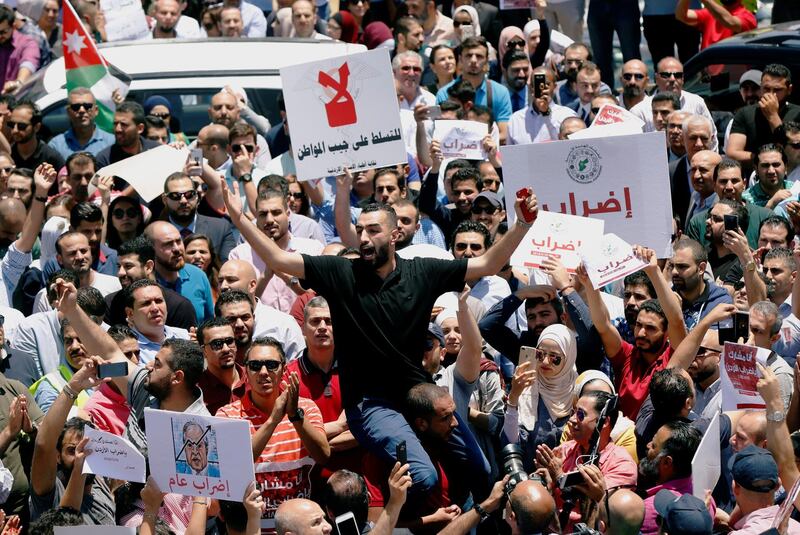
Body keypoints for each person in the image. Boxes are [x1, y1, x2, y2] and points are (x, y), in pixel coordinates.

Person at [220, 171, 538, 498]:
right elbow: (277, 258)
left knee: (482, 472)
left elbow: (486, 263)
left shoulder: (423, 271)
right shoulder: (341, 272)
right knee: (424, 478)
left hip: (419, 395)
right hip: (371, 405)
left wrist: (522, 224)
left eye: (374, 230)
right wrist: (239, 216)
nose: (365, 238)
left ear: (396, 234)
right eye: (361, 231)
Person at [216, 337, 329, 533]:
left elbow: (323, 455)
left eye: (271, 365)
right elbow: (233, 467)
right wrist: (273, 420)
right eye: (255, 366)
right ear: (246, 372)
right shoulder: (228, 415)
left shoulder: (306, 408)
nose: (263, 372)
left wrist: (295, 417)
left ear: (284, 370)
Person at [584, 246, 688, 419]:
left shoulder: (672, 360)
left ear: (667, 333)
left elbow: (676, 320)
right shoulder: (626, 356)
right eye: (639, 325)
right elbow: (603, 325)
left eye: (651, 328)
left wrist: (653, 271)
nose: (641, 333)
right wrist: (590, 284)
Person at [538, 390, 638, 525]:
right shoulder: (565, 450)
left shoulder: (622, 465)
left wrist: (560, 476)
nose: (572, 420)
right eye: (573, 412)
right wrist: (545, 481)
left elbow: (609, 511)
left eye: (580, 415)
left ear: (603, 422)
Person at [503, 324, 578, 470]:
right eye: (540, 354)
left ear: (569, 357)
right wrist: (513, 397)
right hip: (530, 479)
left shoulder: (578, 390)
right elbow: (511, 444)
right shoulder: (526, 387)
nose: (544, 362)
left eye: (554, 358)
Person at [104, 235, 197, 331]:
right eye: (119, 266)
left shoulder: (179, 307)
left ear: (148, 267)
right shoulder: (111, 304)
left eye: (128, 266)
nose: (120, 273)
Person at [435, 37, 512, 144]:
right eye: (469, 55)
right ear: (460, 59)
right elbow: (440, 131)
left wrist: (477, 144)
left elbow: (504, 133)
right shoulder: (444, 93)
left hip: (487, 154)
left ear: (486, 59)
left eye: (479, 56)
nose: (473, 60)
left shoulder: (500, 92)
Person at [727, 65, 800, 172]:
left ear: (789, 90)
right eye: (766, 88)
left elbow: (792, 153)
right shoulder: (745, 113)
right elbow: (733, 153)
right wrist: (765, 161)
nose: (770, 95)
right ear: (761, 87)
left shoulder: (797, 113)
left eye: (777, 90)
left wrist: (773, 116)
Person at [640, 421, 706, 535]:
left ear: (666, 462)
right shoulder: (705, 498)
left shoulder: (648, 511)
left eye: (654, 446)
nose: (648, 445)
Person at [145, 221, 214, 323]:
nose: (177, 249)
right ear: (151, 249)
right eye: (168, 244)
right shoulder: (145, 284)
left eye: (178, 241)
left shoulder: (198, 275)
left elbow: (210, 322)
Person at [161, 171, 235, 261]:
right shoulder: (155, 234)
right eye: (175, 196)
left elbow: (230, 267)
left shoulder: (220, 228)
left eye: (189, 194)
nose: (183, 201)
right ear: (165, 200)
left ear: (197, 197)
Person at [508, 66, 577, 145]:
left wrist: (546, 113)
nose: (542, 88)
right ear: (531, 88)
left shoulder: (567, 116)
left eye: (546, 84)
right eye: (537, 84)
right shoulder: (516, 119)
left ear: (555, 87)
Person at [47, 88, 114, 159]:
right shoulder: (56, 146)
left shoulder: (112, 143)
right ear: (68, 112)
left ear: (96, 110)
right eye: (76, 107)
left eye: (87, 106)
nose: (82, 110)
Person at [8, 100, 64, 172]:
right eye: (11, 125)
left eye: (21, 126)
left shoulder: (51, 157)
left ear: (36, 127)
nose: (15, 130)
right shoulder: (8, 155)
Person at [675, 0, 756, 50]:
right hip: (707, 73)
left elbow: (730, 22)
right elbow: (681, 16)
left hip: (732, 75)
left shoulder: (748, 17)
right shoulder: (710, 12)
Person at [0, 5, 39, 94]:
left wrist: (19, 82)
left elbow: (29, 63)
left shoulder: (28, 43)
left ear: (13, 27)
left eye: (2, 32)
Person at [743, 144, 793, 209]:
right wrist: (771, 204)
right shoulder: (746, 199)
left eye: (776, 165)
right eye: (765, 165)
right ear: (756, 169)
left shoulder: (796, 191)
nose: (771, 171)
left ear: (786, 167)